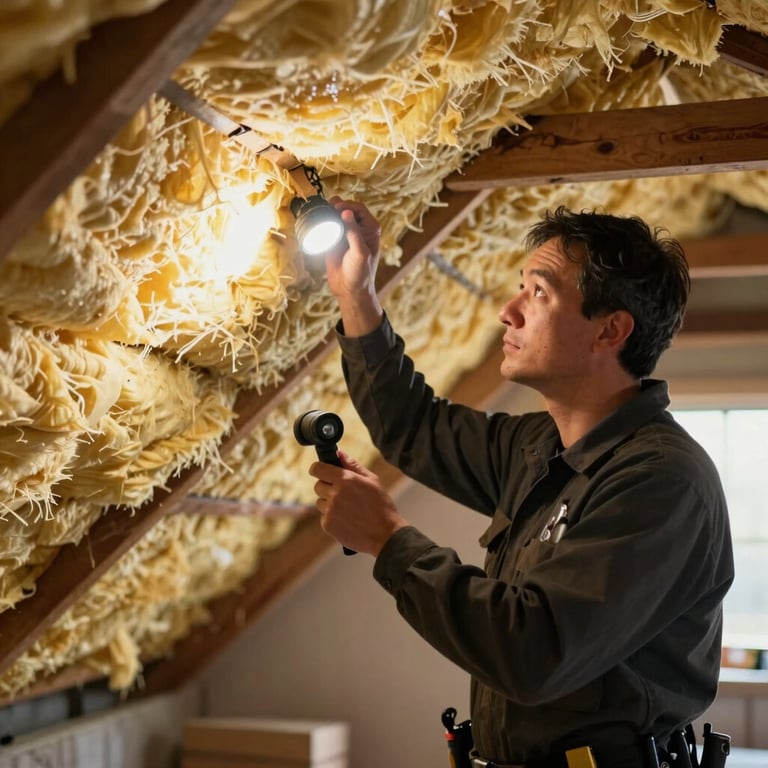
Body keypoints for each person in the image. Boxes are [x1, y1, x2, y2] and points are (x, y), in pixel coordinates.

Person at [307, 198, 734, 768]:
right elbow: (414, 428)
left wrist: (389, 540)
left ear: (610, 330)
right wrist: (357, 295)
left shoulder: (661, 482)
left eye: (538, 292)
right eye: (520, 289)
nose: (508, 312)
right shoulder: (537, 446)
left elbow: (534, 653)